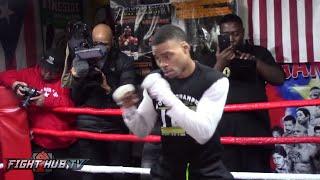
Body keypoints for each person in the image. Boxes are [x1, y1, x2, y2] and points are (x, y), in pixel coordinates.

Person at [115, 24, 233, 179]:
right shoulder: (157, 80)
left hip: (206, 170)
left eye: (168, 56)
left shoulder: (214, 81)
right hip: (168, 169)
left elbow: (203, 133)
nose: (163, 63)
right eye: (158, 58)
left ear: (185, 48)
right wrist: (128, 107)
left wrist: (166, 96)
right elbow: (142, 130)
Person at [214, 14, 285, 172]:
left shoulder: (258, 52)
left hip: (255, 129)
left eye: (236, 33)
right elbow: (202, 88)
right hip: (223, 134)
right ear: (219, 34)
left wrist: (256, 63)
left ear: (243, 32)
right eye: (226, 35)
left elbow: (279, 79)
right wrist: (220, 63)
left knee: (257, 174)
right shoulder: (211, 56)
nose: (231, 39)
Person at [70, 23, 136, 180]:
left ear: (112, 41)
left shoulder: (124, 61)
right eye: (96, 43)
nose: (100, 48)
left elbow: (128, 97)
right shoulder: (82, 59)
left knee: (120, 175)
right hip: (88, 125)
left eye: (104, 44)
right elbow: (75, 98)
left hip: (114, 125)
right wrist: (77, 80)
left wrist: (107, 87)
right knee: (90, 176)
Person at [0, 48, 76, 180]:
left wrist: (47, 101)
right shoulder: (30, 74)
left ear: (60, 70)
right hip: (40, 145)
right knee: (39, 175)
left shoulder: (67, 79)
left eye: (52, 72)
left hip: (65, 146)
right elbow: (4, 75)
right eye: (45, 69)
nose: (46, 74)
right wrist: (15, 84)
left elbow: (72, 112)